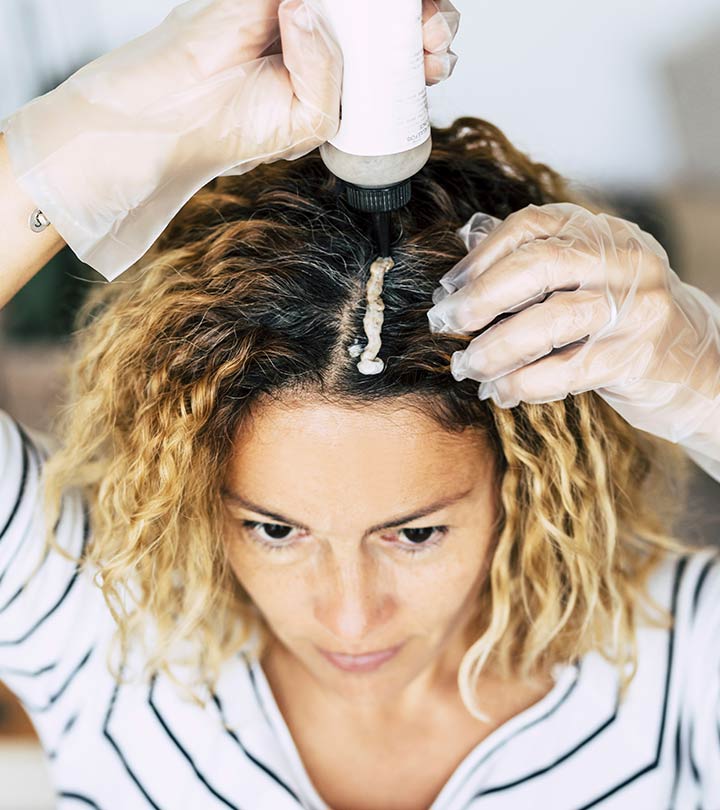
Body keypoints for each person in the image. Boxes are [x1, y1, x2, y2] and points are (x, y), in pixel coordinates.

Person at [0, 1, 719, 809]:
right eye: (274, 530)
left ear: (518, 481)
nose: (349, 619)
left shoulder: (674, 660)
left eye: (415, 533)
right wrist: (96, 134)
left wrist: (705, 382)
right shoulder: (106, 633)